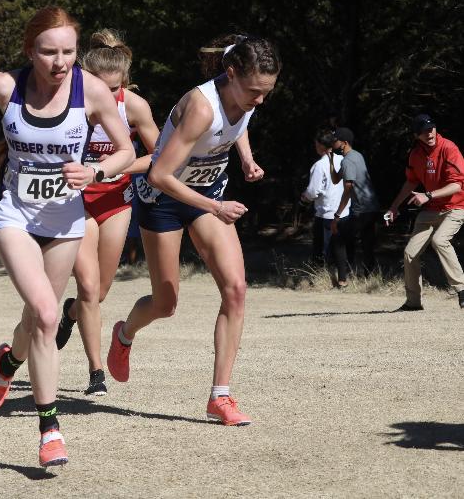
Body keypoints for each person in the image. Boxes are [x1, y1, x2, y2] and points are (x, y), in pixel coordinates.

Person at [0, 6, 134, 467]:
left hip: (65, 222)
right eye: (49, 52)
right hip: (16, 218)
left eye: (68, 51)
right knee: (47, 315)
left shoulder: (94, 92)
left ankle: (7, 364)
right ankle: (50, 430)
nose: (60, 62)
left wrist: (95, 170)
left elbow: (126, 150)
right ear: (30, 51)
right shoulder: (5, 85)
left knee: (34, 320)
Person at [109, 34, 281, 426]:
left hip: (206, 194)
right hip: (163, 198)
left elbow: (241, 122)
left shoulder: (247, 95)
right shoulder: (202, 108)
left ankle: (220, 396)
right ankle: (124, 333)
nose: (259, 100)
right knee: (165, 304)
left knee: (235, 289)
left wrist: (248, 159)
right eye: (254, 91)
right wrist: (216, 206)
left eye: (266, 92)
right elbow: (159, 173)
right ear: (231, 73)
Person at [54, 29, 159, 397]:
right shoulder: (65, 101)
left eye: (114, 88)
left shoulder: (134, 106)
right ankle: (95, 371)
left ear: (124, 82)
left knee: (97, 294)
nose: (106, 93)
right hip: (76, 201)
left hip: (115, 202)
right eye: (99, 85)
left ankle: (69, 313)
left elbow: (159, 156)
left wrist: (118, 167)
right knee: (87, 286)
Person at [384, 114, 464, 310]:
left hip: (455, 207)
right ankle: (413, 302)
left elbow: (457, 185)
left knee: (440, 241)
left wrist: (427, 195)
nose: (429, 133)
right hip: (430, 211)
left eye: (431, 129)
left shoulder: (449, 148)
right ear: (416, 135)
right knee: (410, 254)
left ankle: (461, 288)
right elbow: (411, 181)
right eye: (424, 131)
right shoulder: (416, 155)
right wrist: (394, 207)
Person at [301, 130, 351, 286]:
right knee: (340, 246)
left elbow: (313, 190)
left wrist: (304, 198)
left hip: (326, 212)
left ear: (321, 146)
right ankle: (342, 279)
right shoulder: (343, 160)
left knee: (321, 247)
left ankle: (317, 279)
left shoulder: (319, 165)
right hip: (344, 210)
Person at [329, 127, 381, 275]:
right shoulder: (357, 156)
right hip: (372, 207)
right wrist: (331, 159)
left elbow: (347, 190)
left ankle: (343, 277)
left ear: (344, 143)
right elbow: (335, 179)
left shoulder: (348, 161)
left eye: (335, 140)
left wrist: (337, 216)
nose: (332, 143)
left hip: (362, 210)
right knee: (367, 243)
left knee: (338, 237)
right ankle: (368, 276)